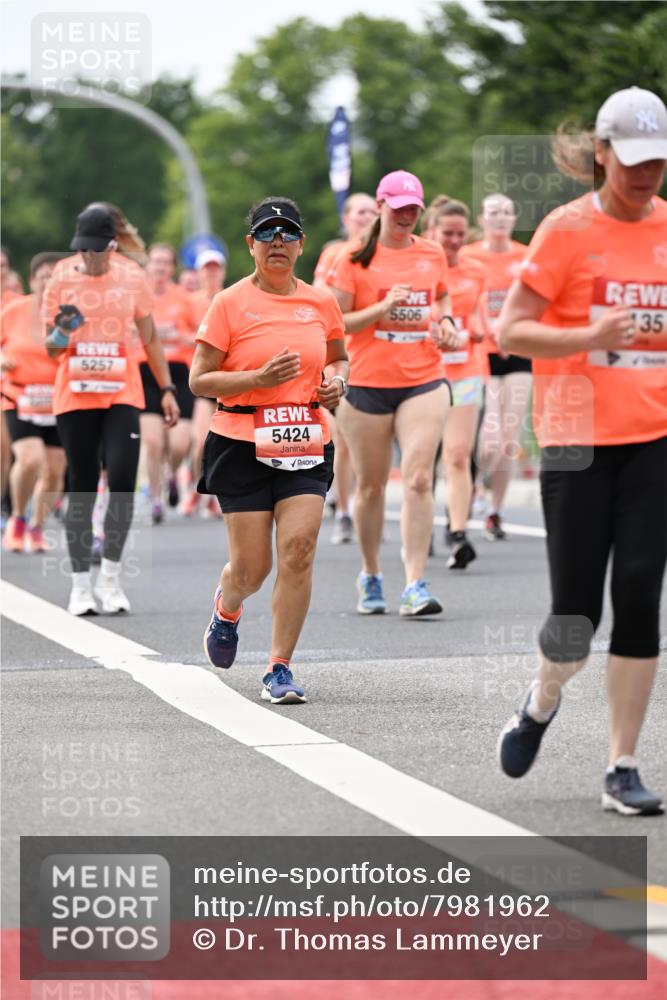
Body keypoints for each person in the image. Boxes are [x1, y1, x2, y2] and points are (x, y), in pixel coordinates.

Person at [497, 87, 667, 816]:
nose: (643, 174)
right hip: (572, 439)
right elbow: (511, 331)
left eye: (656, 161)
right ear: (600, 153)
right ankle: (539, 700)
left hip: (652, 439)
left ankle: (620, 765)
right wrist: (587, 340)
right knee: (574, 620)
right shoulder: (564, 231)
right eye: (631, 160)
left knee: (637, 593)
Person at [190, 197, 347, 704]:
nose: (277, 242)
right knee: (251, 569)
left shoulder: (321, 302)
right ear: (251, 245)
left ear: (301, 245)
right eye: (267, 234)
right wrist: (255, 378)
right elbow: (198, 378)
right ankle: (228, 605)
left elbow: (339, 359)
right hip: (240, 442)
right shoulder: (229, 303)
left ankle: (279, 668)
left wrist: (335, 385)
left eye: (287, 233)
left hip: (305, 436)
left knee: (299, 551)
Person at [327, 170, 456, 616]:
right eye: (398, 208)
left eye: (413, 210)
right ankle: (371, 572)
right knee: (372, 488)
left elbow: (441, 299)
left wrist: (447, 324)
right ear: (380, 207)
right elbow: (336, 324)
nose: (405, 216)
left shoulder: (432, 253)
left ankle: (416, 583)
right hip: (366, 384)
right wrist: (382, 308)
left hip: (423, 377)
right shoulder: (352, 259)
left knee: (420, 478)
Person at [43, 205, 179, 615]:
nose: (88, 258)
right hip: (75, 395)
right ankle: (80, 585)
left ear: (112, 246)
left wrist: (167, 388)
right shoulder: (61, 277)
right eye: (82, 250)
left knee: (121, 479)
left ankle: (112, 578)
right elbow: (50, 349)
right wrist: (63, 328)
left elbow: (151, 337)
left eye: (96, 251)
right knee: (81, 484)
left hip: (122, 392)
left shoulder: (131, 278)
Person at [423, 196, 489, 570]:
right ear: (431, 231)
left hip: (465, 371)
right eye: (447, 233)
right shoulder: (418, 269)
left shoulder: (475, 271)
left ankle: (459, 532)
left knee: (459, 454)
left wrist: (476, 331)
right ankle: (424, 523)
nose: (454, 240)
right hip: (425, 375)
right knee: (425, 460)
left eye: (461, 234)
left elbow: (482, 321)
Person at [460, 194, 529, 540]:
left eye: (506, 212)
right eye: (493, 213)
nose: (500, 218)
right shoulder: (470, 256)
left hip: (517, 352)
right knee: (486, 442)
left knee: (507, 441)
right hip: (480, 352)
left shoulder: (525, 256)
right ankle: (473, 483)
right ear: (482, 219)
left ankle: (495, 512)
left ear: (514, 218)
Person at [313, 193, 378, 545]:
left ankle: (367, 506)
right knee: (344, 440)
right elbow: (323, 301)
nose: (367, 217)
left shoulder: (387, 254)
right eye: (360, 212)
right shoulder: (335, 254)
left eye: (372, 211)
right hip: (343, 358)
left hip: (381, 360)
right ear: (347, 217)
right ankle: (344, 512)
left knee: (370, 444)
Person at [1, 252, 65, 552]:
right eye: (43, 276)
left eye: (54, 276)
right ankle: (17, 519)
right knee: (29, 458)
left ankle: (37, 526)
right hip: (19, 394)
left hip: (58, 399)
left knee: (54, 469)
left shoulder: (69, 315)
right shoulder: (13, 311)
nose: (48, 282)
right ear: (32, 280)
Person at [141, 243, 198, 521]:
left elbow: (201, 333)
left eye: (165, 262)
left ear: (172, 268)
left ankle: (171, 472)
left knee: (178, 443)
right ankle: (154, 498)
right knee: (152, 442)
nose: (160, 267)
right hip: (146, 371)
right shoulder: (137, 297)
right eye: (156, 262)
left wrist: (185, 337)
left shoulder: (183, 298)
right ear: (148, 266)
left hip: (178, 371)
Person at [181, 248, 228, 518]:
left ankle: (213, 494)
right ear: (198, 273)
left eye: (215, 268)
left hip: (226, 379)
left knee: (220, 441)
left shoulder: (229, 298)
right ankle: (192, 490)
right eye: (206, 269)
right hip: (200, 380)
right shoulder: (190, 302)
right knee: (200, 441)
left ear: (222, 271)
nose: (211, 273)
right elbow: (179, 331)